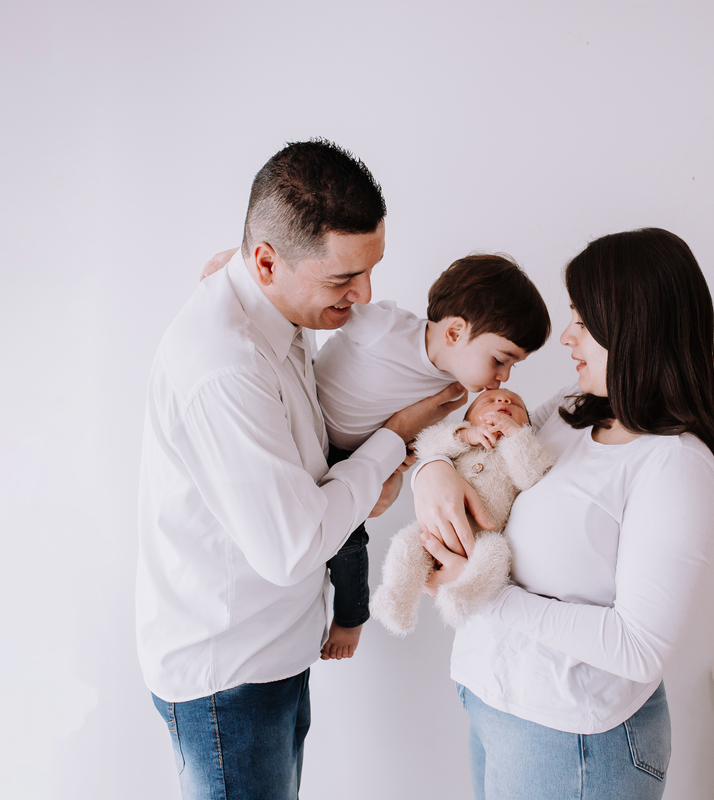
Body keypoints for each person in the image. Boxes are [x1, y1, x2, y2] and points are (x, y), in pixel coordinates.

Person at [136, 139, 467, 800]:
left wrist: (361, 487)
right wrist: (391, 440)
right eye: (344, 279)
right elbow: (292, 548)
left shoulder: (272, 296)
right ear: (266, 262)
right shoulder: (226, 367)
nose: (364, 295)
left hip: (272, 652)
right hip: (229, 677)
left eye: (370, 271)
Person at [412, 228, 714, 800]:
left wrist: (482, 590)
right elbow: (475, 451)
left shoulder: (675, 465)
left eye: (583, 321)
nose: (568, 337)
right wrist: (431, 470)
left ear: (633, 327)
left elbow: (638, 647)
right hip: (493, 700)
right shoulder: (572, 410)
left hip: (574, 740)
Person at [197, 252, 552, 658]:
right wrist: (240, 265)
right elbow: (317, 301)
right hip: (300, 429)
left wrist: (404, 460)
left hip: (352, 458)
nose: (503, 378)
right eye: (501, 360)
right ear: (455, 332)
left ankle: (351, 619)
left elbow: (421, 440)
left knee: (349, 548)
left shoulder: (451, 393)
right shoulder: (386, 328)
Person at [370, 388, 554, 635]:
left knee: (496, 553)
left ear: (528, 427)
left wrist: (515, 435)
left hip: (482, 538)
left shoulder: (522, 450)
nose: (503, 401)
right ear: (468, 420)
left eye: (516, 405)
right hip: (434, 532)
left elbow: (532, 475)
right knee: (407, 543)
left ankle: (462, 594)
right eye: (488, 401)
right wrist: (465, 435)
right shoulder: (460, 443)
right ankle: (397, 598)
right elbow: (426, 443)